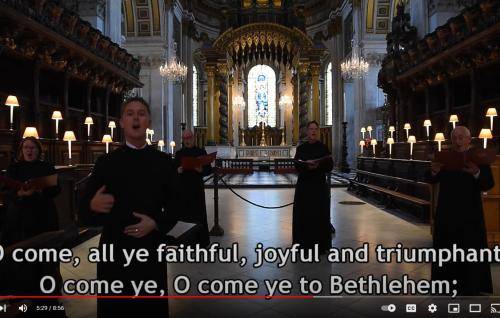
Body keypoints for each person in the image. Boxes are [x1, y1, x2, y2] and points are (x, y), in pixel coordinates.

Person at [81, 97, 177, 317]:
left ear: (148, 122)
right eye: (130, 113)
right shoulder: (105, 163)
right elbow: (84, 213)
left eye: (141, 113)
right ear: (122, 122)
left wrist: (156, 223)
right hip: (115, 249)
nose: (136, 118)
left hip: (150, 249)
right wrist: (92, 205)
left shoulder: (164, 162)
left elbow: (176, 207)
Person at [0, 137, 66, 317]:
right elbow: (6, 192)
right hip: (19, 220)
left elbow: (56, 190)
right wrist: (19, 192)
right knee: (22, 259)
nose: (29, 151)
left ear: (38, 150)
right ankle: (22, 297)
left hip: (43, 217)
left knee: (45, 259)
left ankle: (48, 296)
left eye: (33, 148)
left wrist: (40, 189)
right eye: (26, 148)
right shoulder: (14, 168)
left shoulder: (46, 167)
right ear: (21, 150)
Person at [429, 126, 495, 295]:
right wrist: (433, 171)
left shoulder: (478, 159)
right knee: (447, 249)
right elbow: (429, 178)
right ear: (451, 140)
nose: (458, 142)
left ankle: (472, 286)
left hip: (470, 213)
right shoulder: (444, 158)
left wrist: (477, 172)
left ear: (468, 140)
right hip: (447, 212)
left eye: (461, 138)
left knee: (470, 249)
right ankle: (444, 285)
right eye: (455, 138)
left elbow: (488, 184)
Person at [293, 120, 333, 254]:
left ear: (318, 131)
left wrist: (318, 165)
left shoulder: (323, 147)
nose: (313, 131)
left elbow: (330, 165)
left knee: (319, 214)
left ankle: (320, 245)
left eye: (316, 129)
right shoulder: (301, 148)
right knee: (304, 214)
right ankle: (303, 244)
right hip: (304, 186)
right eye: (311, 129)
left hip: (319, 186)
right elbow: (297, 165)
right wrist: (306, 165)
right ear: (307, 131)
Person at [174, 129, 212, 247]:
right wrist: (177, 170)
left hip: (196, 188)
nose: (187, 141)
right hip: (183, 189)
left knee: (198, 214)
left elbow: (208, 170)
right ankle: (185, 242)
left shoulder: (201, 152)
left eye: (189, 138)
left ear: (193, 138)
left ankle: (200, 241)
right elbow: (172, 171)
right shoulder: (179, 154)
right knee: (184, 214)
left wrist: (201, 170)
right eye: (185, 138)